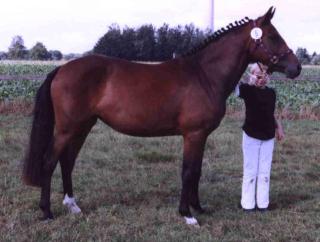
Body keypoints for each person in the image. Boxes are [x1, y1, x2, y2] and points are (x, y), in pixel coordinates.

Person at [235, 63, 285, 212]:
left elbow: (270, 113)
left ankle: (263, 204)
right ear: (252, 76)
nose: (262, 78)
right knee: (250, 170)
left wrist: (279, 127)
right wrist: (241, 73)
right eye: (258, 75)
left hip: (268, 135)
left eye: (265, 75)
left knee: (264, 171)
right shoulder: (246, 90)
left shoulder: (271, 93)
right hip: (251, 134)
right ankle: (247, 204)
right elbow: (232, 82)